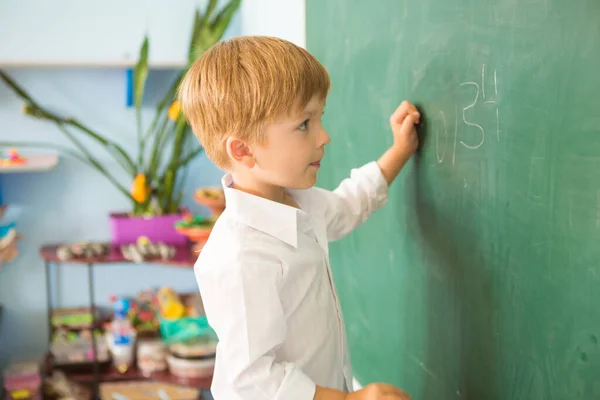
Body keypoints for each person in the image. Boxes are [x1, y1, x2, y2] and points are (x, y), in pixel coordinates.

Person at [179, 36, 419, 400]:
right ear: (243, 149)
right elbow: (253, 379)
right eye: (304, 123)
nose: (324, 136)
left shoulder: (298, 203)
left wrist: (399, 152)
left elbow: (349, 204)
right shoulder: (240, 255)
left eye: (320, 117)